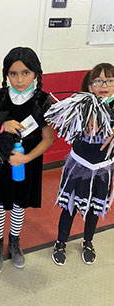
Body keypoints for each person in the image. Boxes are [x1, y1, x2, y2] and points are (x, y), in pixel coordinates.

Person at [0, 47, 54, 273]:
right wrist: (3, 126)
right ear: (6, 74)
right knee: (0, 204)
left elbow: (48, 138)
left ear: (36, 73)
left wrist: (26, 158)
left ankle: (14, 241)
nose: (19, 79)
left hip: (27, 162)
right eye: (13, 73)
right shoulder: (0, 96)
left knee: (20, 203)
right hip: (2, 162)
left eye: (26, 73)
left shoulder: (43, 100)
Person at [46, 62, 114, 266]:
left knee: (94, 208)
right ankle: (60, 242)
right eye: (98, 80)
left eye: (110, 80)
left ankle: (88, 241)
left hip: (103, 168)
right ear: (90, 85)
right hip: (79, 165)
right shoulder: (80, 103)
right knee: (70, 206)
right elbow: (61, 120)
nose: (104, 84)